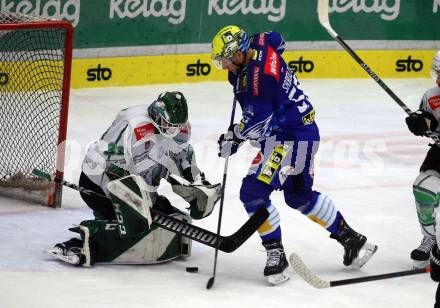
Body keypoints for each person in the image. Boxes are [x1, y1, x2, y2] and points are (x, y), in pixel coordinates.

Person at [211, 25, 377, 285]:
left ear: (240, 54)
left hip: (289, 139)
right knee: (299, 196)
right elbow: (278, 39)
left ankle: (275, 253)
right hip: (303, 131)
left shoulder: (256, 83)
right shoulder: (261, 42)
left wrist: (234, 137)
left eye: (226, 60)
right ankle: (352, 239)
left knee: (253, 192)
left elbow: (257, 127)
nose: (223, 67)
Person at [47, 91, 221, 266]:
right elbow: (107, 159)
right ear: (157, 113)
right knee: (136, 226)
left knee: (170, 218)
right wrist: (132, 200)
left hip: (141, 185)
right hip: (100, 184)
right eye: (167, 125)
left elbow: (182, 156)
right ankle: (83, 243)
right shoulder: (133, 122)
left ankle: (134, 215)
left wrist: (197, 181)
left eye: (176, 126)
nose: (171, 131)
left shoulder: (178, 127)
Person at [405, 51, 440, 270]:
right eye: (437, 73)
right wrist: (421, 122)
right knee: (423, 188)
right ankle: (431, 239)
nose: (437, 80)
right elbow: (428, 119)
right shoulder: (432, 96)